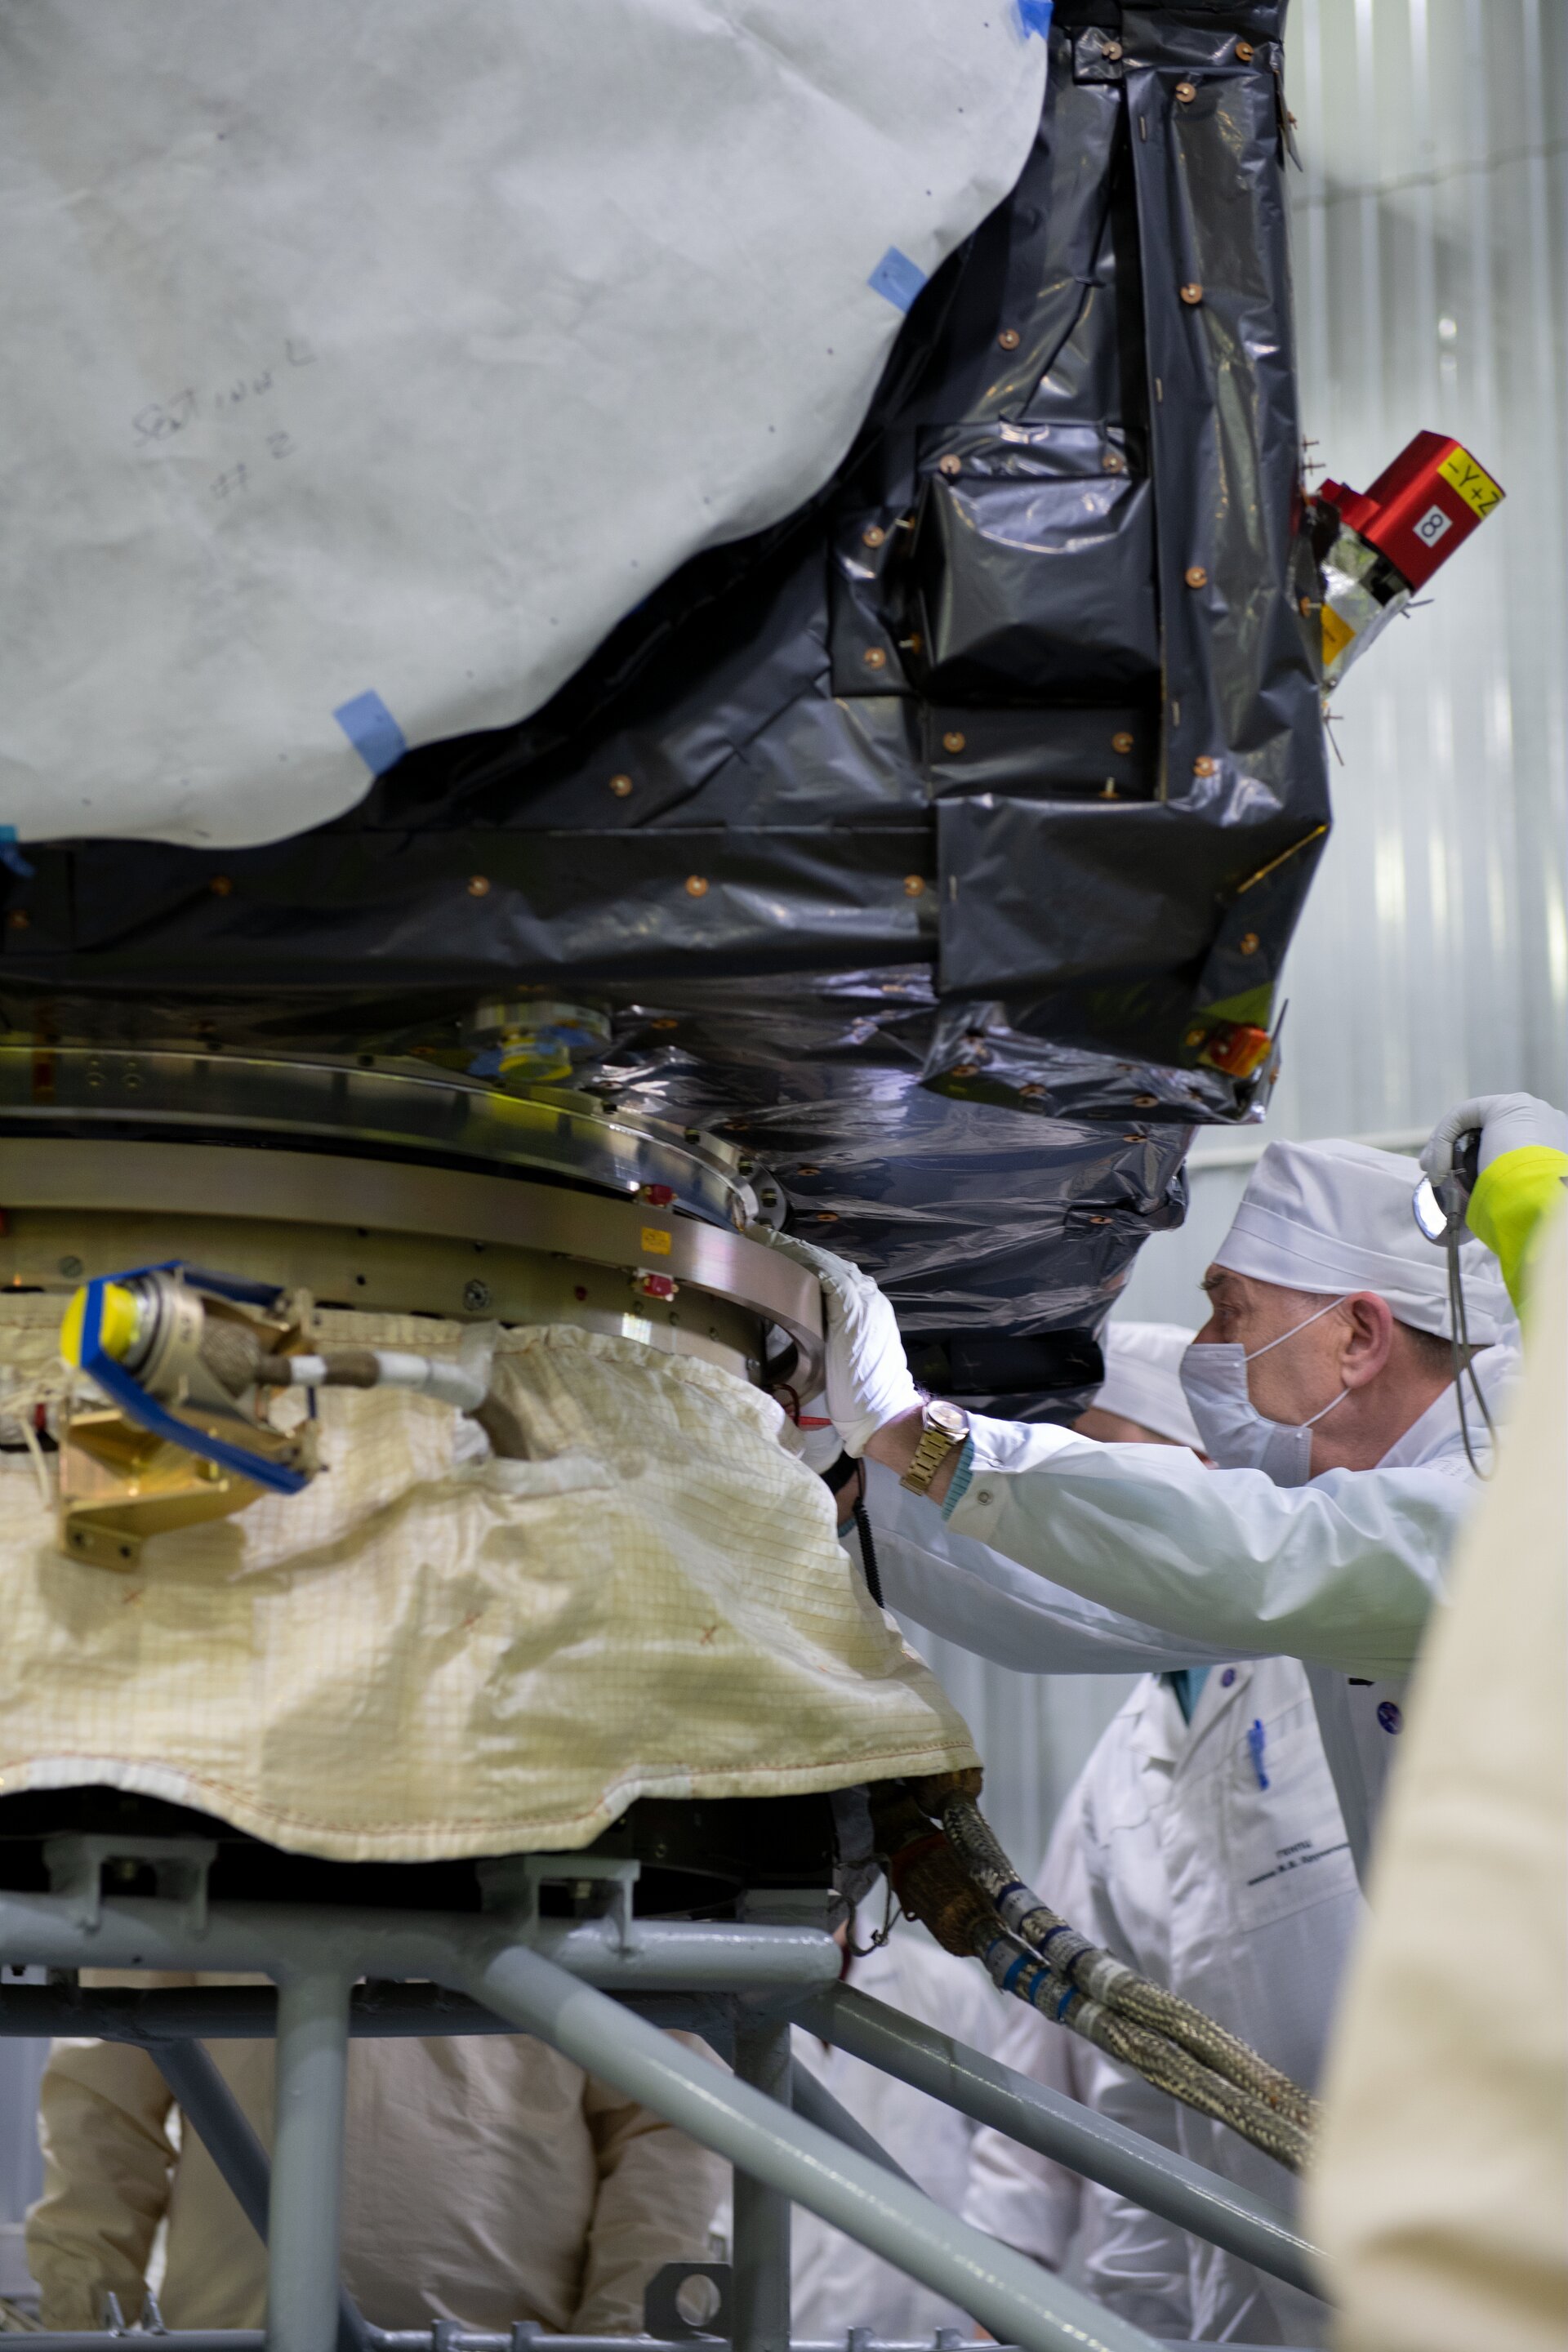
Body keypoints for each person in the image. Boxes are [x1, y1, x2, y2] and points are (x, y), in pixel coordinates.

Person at [765, 1134, 1525, 1877]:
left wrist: (920, 1435)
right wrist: (855, 1487)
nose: (1204, 1346)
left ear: (1359, 1337)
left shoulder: (1520, 1481)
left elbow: (1272, 1554)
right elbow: (1081, 1608)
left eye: (1232, 1312)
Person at [962, 1326, 1354, 2347]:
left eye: (1104, 1463)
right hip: (1225, 2304)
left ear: (1206, 1470)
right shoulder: (1117, 1775)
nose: (1075, 1509)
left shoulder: (1339, 1676)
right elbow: (1119, 2096)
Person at [1303, 1131, 1566, 2352]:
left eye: (1233, 1311)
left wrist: (929, 1450)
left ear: (1362, 1336)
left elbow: (1253, 1553)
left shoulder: (1484, 1498)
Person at [26, 1991, 726, 2333]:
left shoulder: (571, 1826)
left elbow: (666, 2124)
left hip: (517, 2342)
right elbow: (105, 2114)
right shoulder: (208, 1821)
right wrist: (86, 2328)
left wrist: (618, 2338)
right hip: (234, 2337)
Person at [710, 1909, 1005, 2340]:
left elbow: (1011, 2165)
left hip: (928, 2326)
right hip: (760, 2320)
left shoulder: (948, 1986)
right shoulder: (706, 1991)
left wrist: (996, 2318)